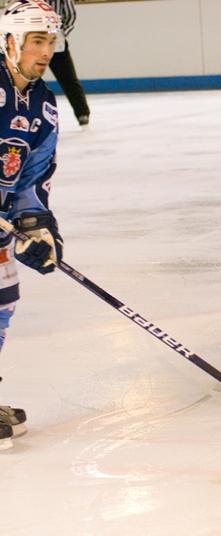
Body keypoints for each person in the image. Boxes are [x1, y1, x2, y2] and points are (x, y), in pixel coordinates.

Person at [0, 0, 65, 449]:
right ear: (10, 42)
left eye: (50, 42)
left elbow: (33, 177)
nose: (45, 52)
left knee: (3, 300)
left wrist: (37, 228)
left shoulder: (43, 105)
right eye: (37, 41)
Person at [48, 0, 89, 127]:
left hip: (56, 41)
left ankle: (82, 113)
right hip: (32, 41)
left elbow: (71, 16)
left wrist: (61, 34)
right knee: (26, 80)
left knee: (68, 79)